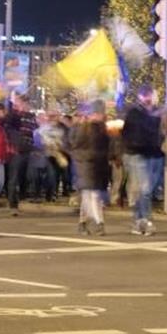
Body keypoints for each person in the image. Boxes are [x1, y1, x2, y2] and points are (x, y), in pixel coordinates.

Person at [122, 85, 163, 235]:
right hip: (138, 154)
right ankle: (146, 220)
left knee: (145, 190)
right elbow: (129, 133)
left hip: (154, 154)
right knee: (145, 189)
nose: (149, 100)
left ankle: (138, 221)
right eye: (147, 96)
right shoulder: (135, 113)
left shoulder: (155, 113)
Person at [69, 101, 111, 235]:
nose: (100, 115)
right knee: (92, 195)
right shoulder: (84, 128)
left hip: (97, 165)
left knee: (89, 196)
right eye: (98, 113)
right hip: (86, 164)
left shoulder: (103, 128)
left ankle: (83, 223)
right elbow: (75, 145)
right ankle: (99, 223)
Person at [3, 93, 39, 216]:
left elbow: (34, 132)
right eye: (21, 103)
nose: (24, 106)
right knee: (14, 177)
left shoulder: (31, 117)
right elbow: (8, 125)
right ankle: (12, 204)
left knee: (26, 176)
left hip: (28, 149)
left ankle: (22, 198)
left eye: (25, 103)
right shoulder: (14, 117)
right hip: (16, 150)